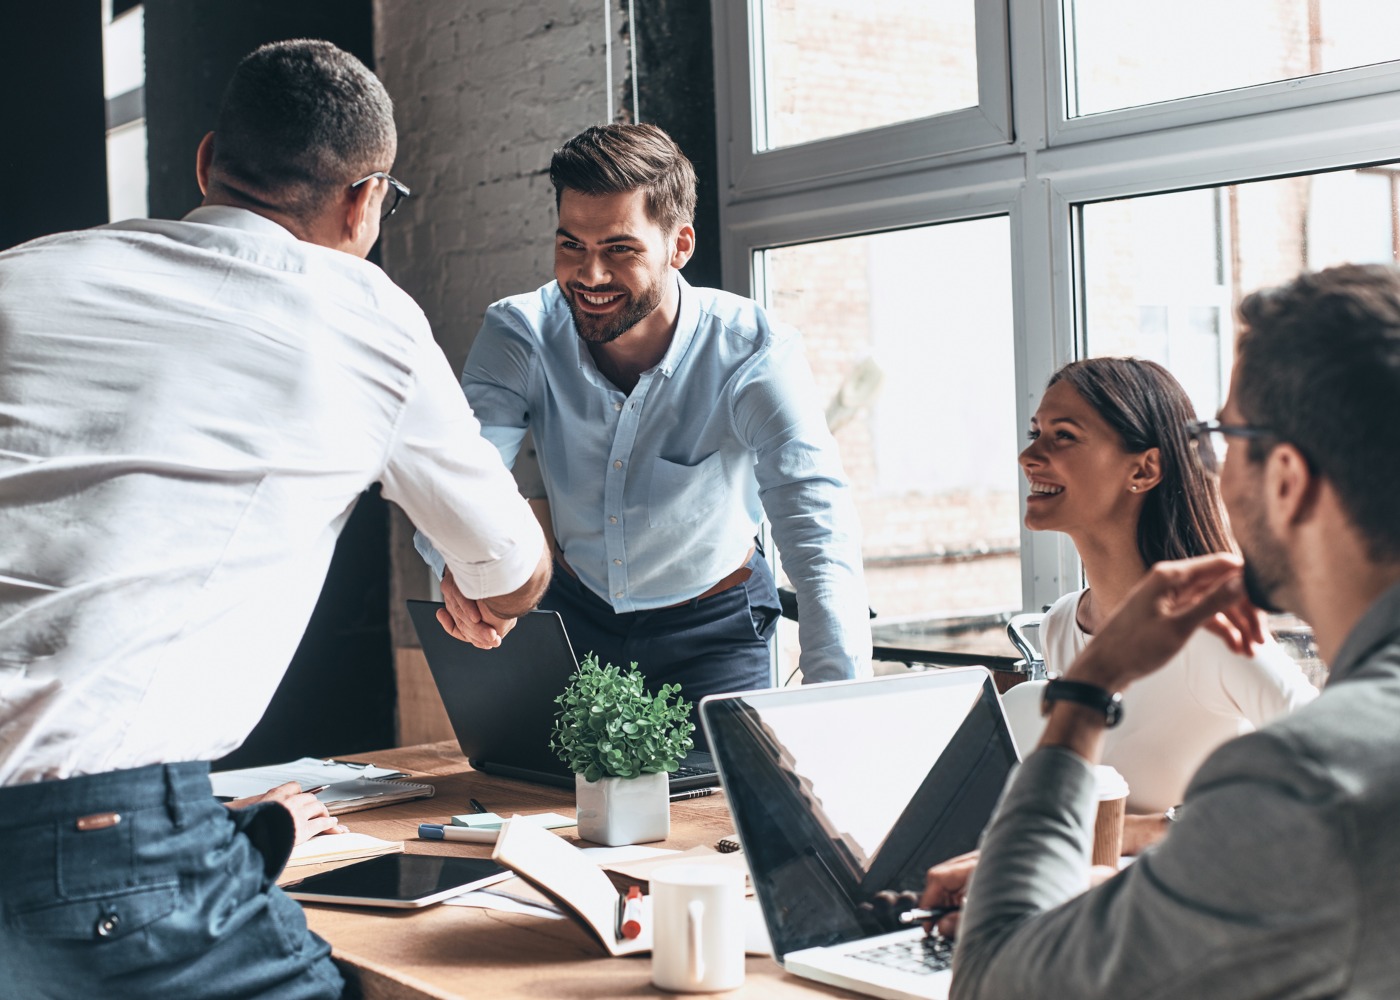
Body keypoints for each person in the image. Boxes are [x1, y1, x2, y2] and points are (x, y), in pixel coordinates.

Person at [0, 40, 549, 999]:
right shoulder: (360, 313)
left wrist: (233, 830)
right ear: (366, 199)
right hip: (99, 850)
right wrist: (472, 574)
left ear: (207, 162)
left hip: (114, 830)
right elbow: (514, 574)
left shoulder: (23, 276)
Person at [923, 263, 1400, 999]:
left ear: (1286, 478)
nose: (1207, 463)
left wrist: (1084, 696)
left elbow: (994, 981)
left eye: (1224, 434)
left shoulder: (1309, 776)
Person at [419, 123, 871, 730]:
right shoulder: (521, 332)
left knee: (722, 813)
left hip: (713, 630)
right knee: (543, 809)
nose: (590, 275)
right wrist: (461, 572)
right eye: (571, 245)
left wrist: (840, 714)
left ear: (678, 245)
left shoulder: (752, 352)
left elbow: (817, 530)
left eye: (619, 249)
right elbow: (459, 476)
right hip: (573, 616)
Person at [1018, 357, 1315, 849]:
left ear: (1144, 469)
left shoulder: (1211, 634)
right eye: (1036, 433)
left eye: (1063, 436)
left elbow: (1340, 775)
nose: (1030, 456)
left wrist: (1147, 831)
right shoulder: (1061, 624)